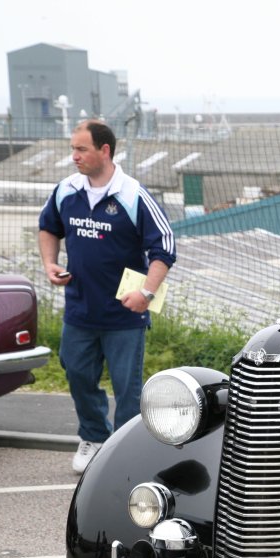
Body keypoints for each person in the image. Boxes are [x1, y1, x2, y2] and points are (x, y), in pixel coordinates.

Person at [38, 119, 175, 473]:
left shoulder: (134, 194)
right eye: (73, 149)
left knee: (127, 389)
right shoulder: (66, 190)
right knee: (77, 374)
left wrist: (146, 292)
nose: (74, 156)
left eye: (81, 149)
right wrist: (50, 263)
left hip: (123, 315)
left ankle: (126, 451)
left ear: (104, 151)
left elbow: (165, 248)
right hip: (79, 310)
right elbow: (47, 228)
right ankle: (94, 437)